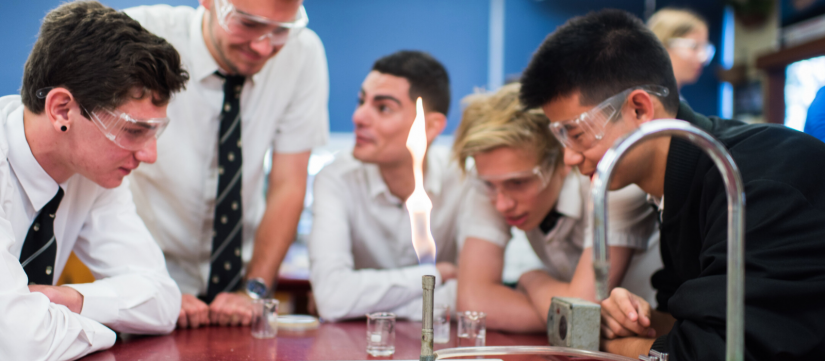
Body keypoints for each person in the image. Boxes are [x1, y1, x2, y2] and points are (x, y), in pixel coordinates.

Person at [520, 9, 825, 360]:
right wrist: (639, 319)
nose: (571, 158)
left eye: (576, 134)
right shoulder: (674, 186)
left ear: (639, 108)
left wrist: (605, 343)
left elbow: (718, 353)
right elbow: (692, 319)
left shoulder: (753, 178)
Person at [0, 2, 190, 360]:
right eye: (133, 131)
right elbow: (19, 343)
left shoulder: (94, 174)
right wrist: (105, 330)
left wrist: (73, 300)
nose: (149, 155)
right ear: (61, 110)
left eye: (154, 133)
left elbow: (163, 301)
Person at [124, 0, 329, 328]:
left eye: (281, 30)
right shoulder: (137, 33)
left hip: (240, 286)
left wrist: (253, 291)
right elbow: (99, 183)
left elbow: (288, 185)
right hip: (143, 275)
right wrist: (147, 287)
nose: (263, 46)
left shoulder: (302, 54)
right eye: (247, 24)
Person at [452, 83, 661, 332]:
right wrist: (571, 319)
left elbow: (581, 313)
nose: (502, 203)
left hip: (655, 338)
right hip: (596, 340)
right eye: (489, 185)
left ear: (562, 158)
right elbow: (473, 303)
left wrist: (532, 279)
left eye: (519, 182)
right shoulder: (494, 183)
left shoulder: (610, 184)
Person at [309, 51, 465, 321]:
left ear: (429, 127)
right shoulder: (336, 178)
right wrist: (436, 275)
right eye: (361, 101)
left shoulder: (464, 181)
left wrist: (365, 307)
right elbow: (332, 299)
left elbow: (473, 297)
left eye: (383, 108)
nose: (358, 116)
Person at [647, 8, 714, 91]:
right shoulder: (643, 99)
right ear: (662, 46)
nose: (702, 57)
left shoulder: (673, 100)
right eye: (694, 47)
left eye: (704, 47)